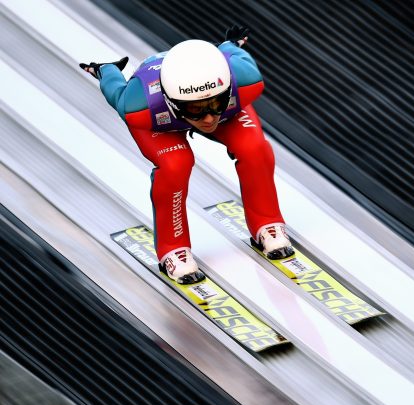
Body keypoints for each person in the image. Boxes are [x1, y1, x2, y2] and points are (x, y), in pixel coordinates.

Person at [80, 25, 294, 284]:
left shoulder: (245, 79)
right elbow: (116, 91)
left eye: (216, 104)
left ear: (227, 88)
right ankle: (173, 250)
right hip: (162, 124)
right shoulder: (139, 106)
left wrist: (229, 44)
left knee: (255, 148)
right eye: (196, 110)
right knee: (175, 164)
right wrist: (107, 69)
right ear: (171, 102)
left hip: (200, 108)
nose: (208, 118)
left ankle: (267, 223)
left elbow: (232, 54)